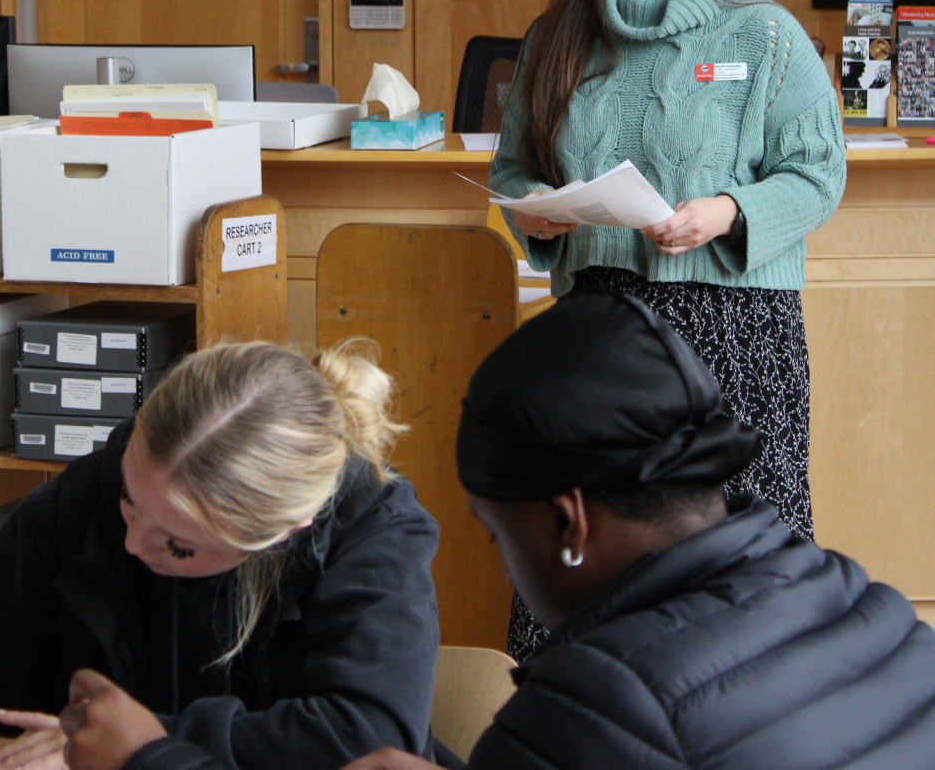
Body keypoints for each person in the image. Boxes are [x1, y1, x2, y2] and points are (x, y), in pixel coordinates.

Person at [489, 0, 847, 658]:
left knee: (738, 553)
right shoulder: (554, 37)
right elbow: (512, 171)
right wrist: (531, 209)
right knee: (582, 543)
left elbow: (818, 173)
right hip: (592, 329)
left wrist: (725, 211)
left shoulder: (761, 33)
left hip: (731, 329)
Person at [329, 294, 935, 770]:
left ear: (567, 522)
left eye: (497, 536)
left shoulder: (596, 701)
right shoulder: (851, 594)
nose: (508, 570)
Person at [0, 341, 440, 770]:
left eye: (179, 545)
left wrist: (132, 746)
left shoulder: (373, 532)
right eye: (131, 501)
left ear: (282, 532)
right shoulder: (77, 505)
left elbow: (370, 740)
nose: (134, 544)